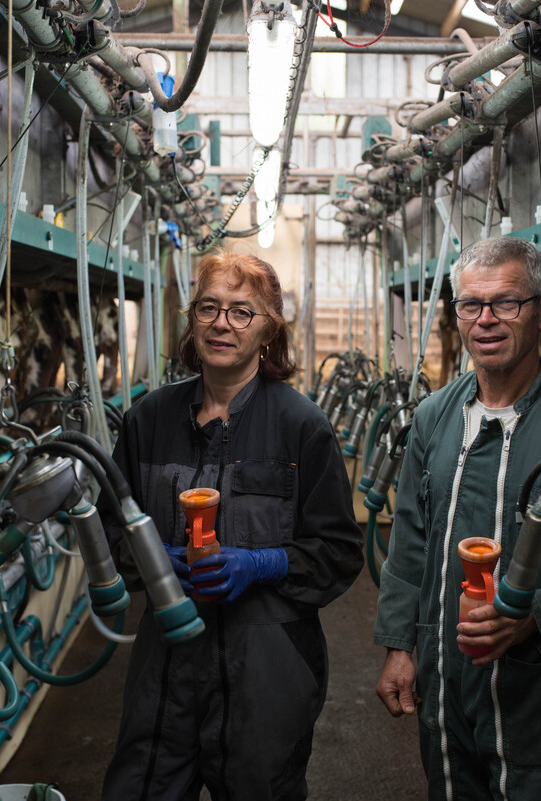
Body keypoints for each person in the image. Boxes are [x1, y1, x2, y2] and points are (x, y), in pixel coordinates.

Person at [101, 250, 363, 800]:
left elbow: (339, 550)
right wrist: (153, 561)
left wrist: (264, 563)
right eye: (208, 307)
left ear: (269, 330)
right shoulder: (148, 420)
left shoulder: (301, 427)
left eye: (242, 311)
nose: (221, 323)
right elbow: (111, 534)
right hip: (165, 665)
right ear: (191, 318)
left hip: (266, 672)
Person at [373, 236, 541, 800]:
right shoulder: (435, 418)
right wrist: (397, 646)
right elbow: (409, 541)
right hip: (443, 682)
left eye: (505, 303)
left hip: (535, 693)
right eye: (470, 305)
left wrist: (533, 615)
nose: (485, 320)